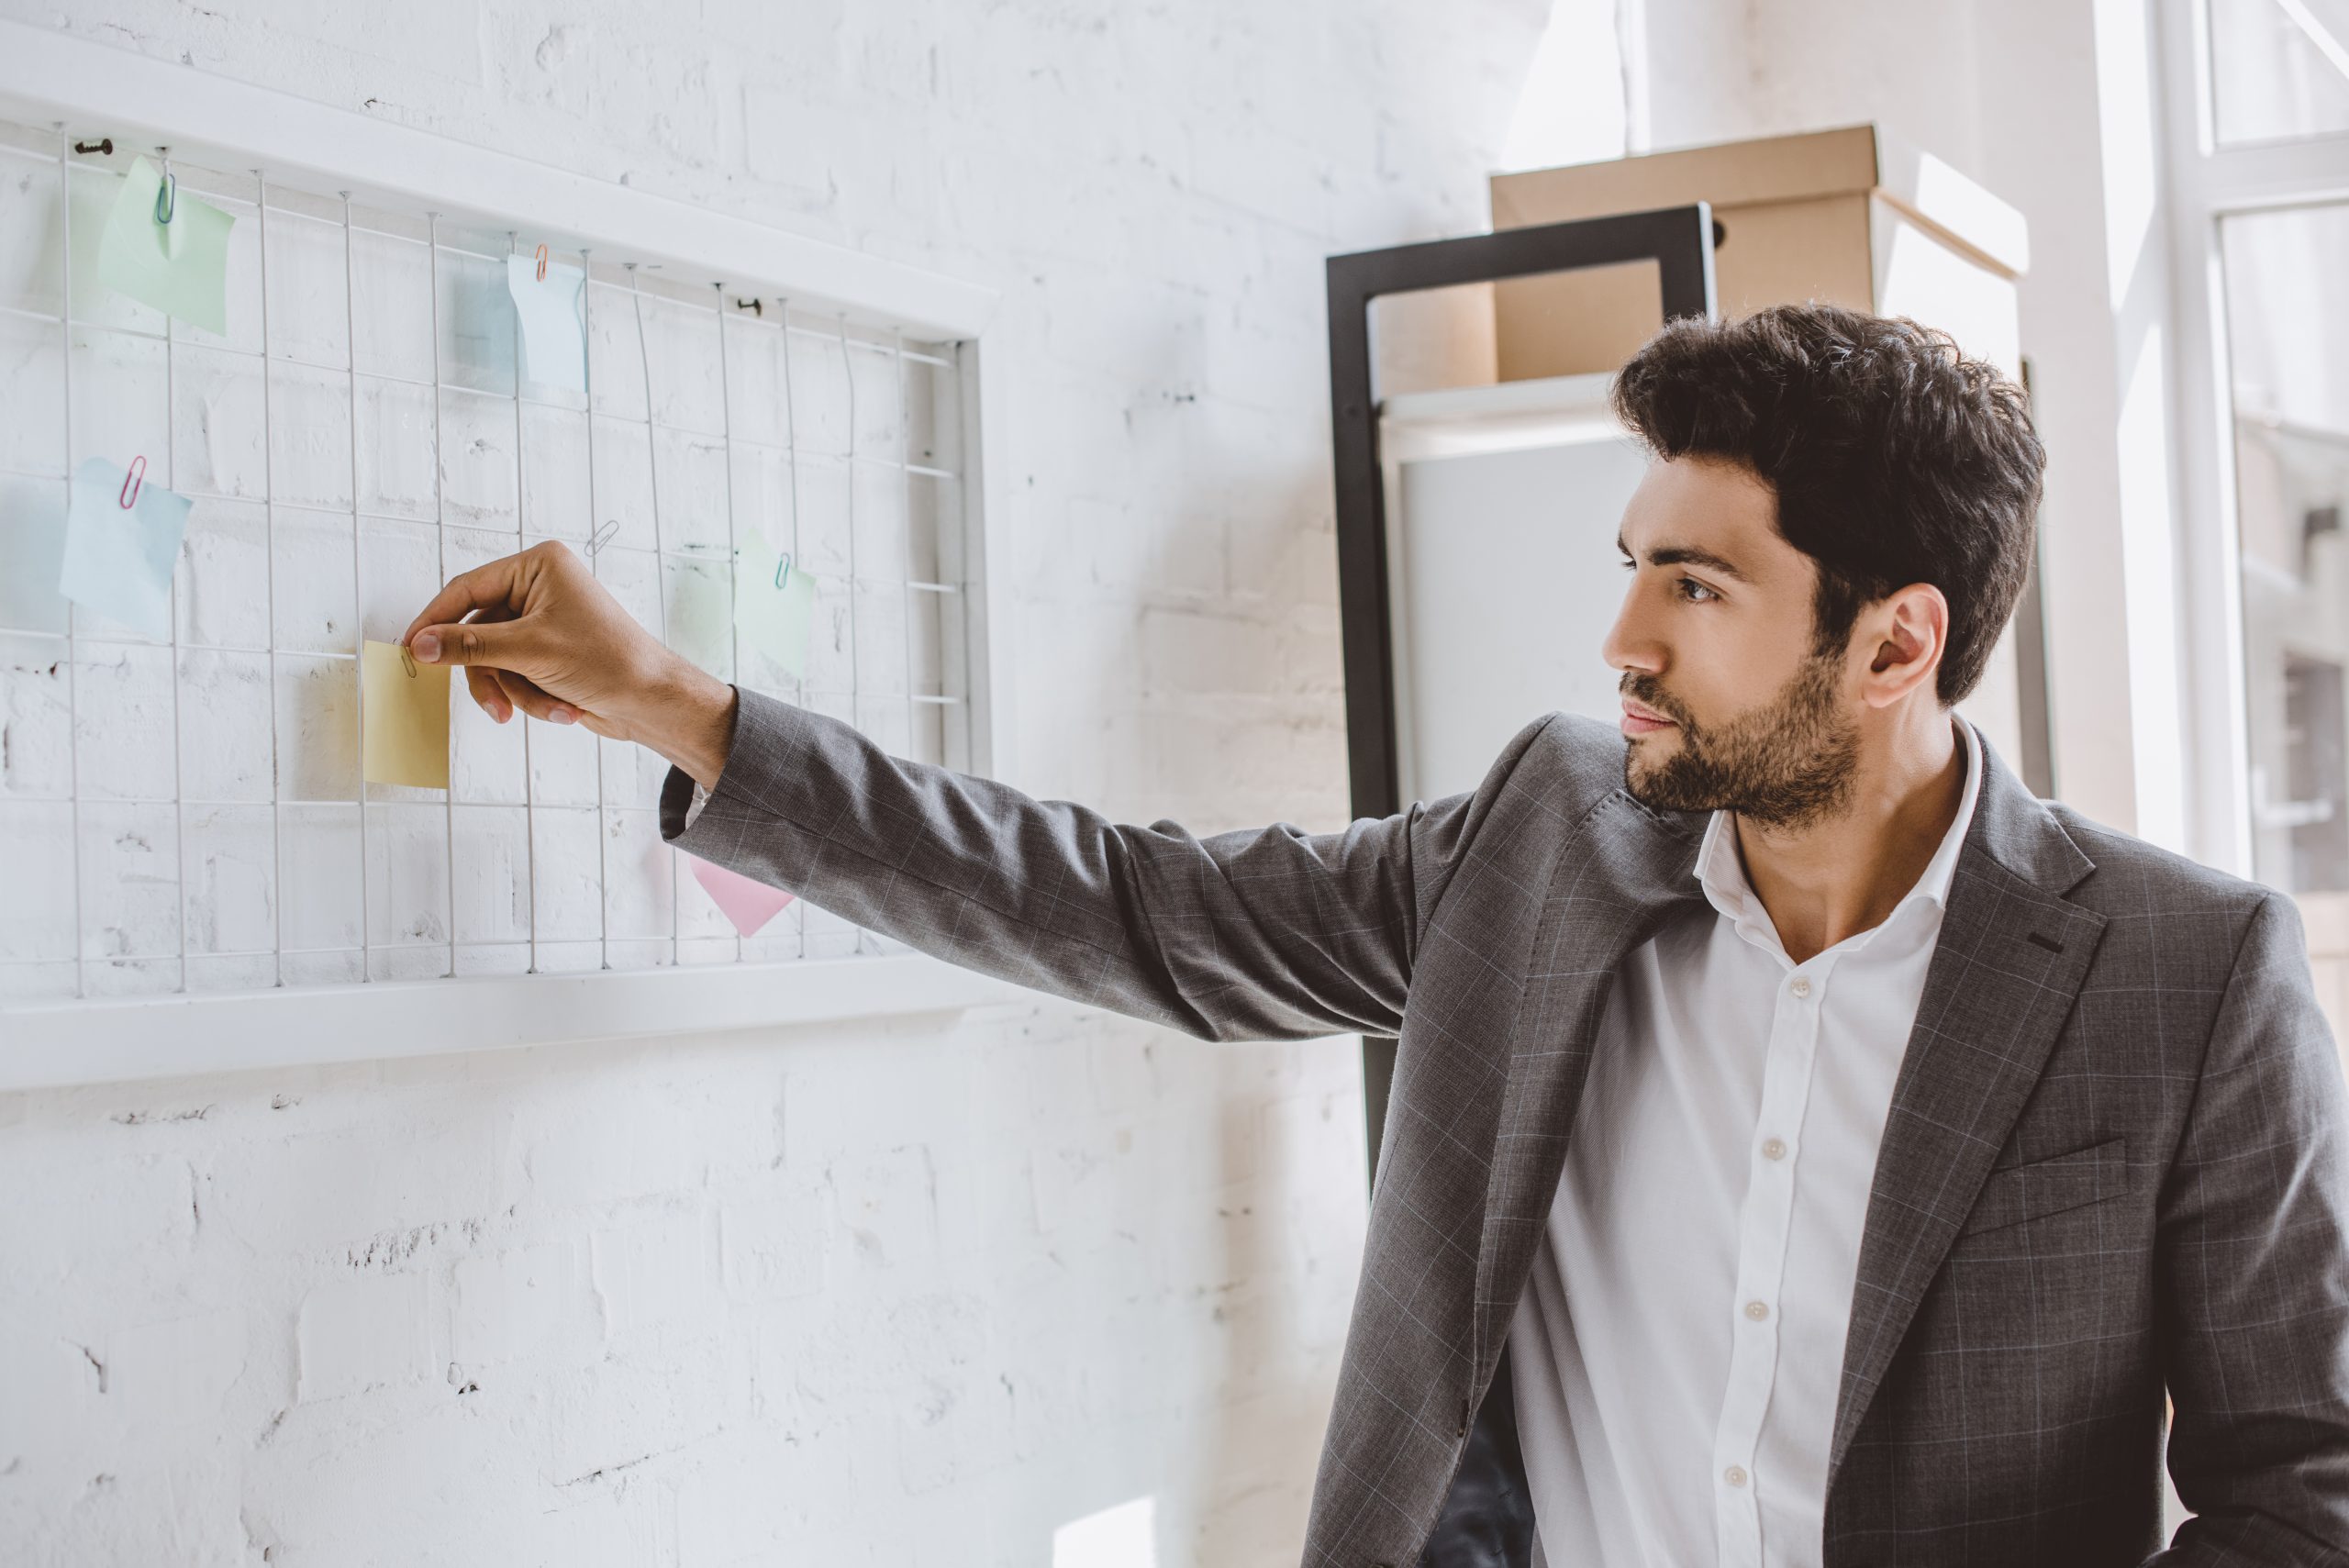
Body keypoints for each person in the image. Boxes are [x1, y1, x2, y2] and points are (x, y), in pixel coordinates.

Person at [401, 305, 2349, 1567]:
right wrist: (677, 703)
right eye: (1627, 570)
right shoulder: (1543, 848)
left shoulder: (2183, 977)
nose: (1621, 643)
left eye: (1693, 584)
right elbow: (1131, 907)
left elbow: (2302, 1487)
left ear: (1893, 640)